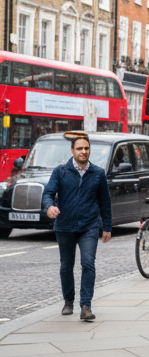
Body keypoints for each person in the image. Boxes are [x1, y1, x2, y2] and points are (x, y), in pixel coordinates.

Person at [41, 132, 112, 322]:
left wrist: (107, 226)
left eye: (86, 148)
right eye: (79, 148)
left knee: (88, 263)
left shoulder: (98, 173)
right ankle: (68, 301)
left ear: (90, 150)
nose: (83, 152)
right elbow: (48, 193)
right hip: (64, 226)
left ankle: (86, 305)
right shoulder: (61, 171)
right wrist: (49, 207)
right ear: (72, 150)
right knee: (66, 266)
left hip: (89, 225)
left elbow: (105, 201)